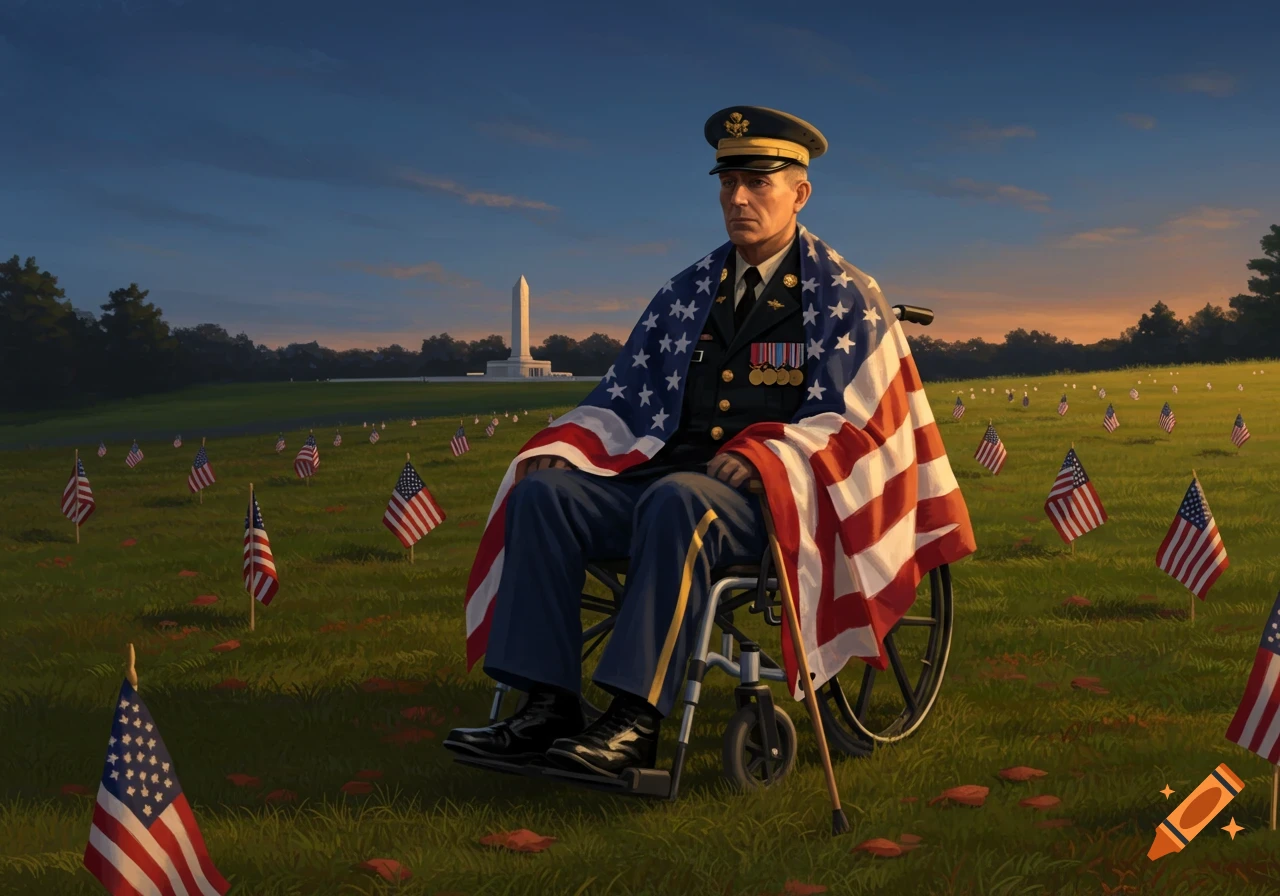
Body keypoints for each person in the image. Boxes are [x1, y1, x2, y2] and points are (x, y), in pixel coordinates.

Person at [445, 106, 975, 781]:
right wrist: (571, 445)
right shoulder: (685, 292)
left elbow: (853, 422)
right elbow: (625, 393)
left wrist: (765, 456)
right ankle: (546, 705)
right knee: (545, 494)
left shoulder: (843, 296)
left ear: (799, 194)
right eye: (728, 184)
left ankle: (634, 722)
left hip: (774, 501)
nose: (739, 199)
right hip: (668, 477)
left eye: (759, 182)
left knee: (677, 502)